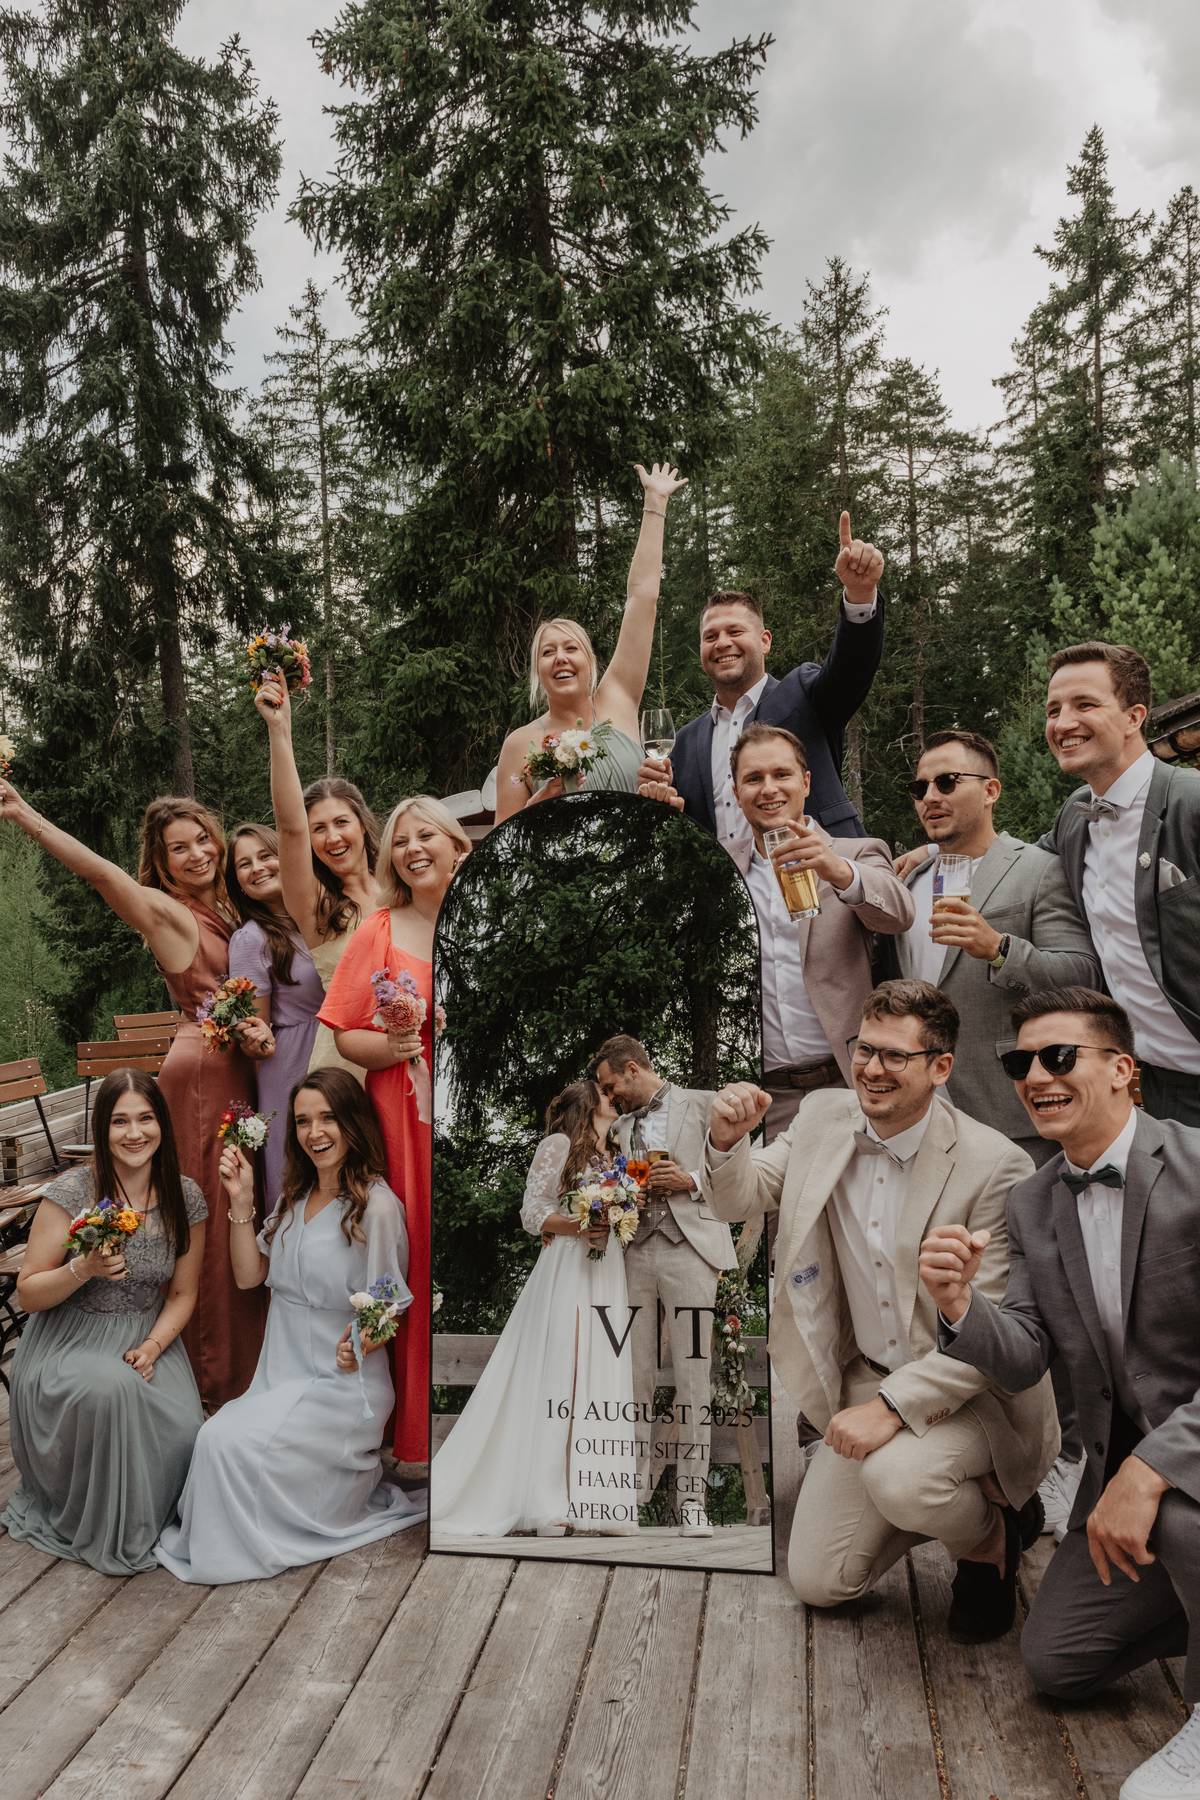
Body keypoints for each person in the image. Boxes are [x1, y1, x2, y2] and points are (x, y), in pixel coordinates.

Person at [704, 979, 1057, 1641]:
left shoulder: (996, 1166)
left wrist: (892, 1410)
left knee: (900, 1479)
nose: (872, 1068)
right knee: (820, 1582)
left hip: (974, 1394)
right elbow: (740, 1197)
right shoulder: (820, 1118)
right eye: (865, 1049)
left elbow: (998, 1333)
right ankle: (956, 1497)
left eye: (896, 1056)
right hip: (865, 1376)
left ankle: (988, 1544)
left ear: (940, 1067)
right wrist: (726, 1142)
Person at [921, 986, 1200, 1800]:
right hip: (1120, 1483)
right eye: (1021, 1062)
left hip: (1173, 1473)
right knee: (1058, 1661)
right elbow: (1025, 1355)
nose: (1035, 1074)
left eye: (1059, 1056)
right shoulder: (1035, 1199)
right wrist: (959, 1307)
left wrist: (1147, 1472)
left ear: (1124, 1070)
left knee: (1181, 1514)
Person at [0, 779, 266, 1407]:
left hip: (233, 1071)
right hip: (204, 1076)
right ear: (161, 862)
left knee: (240, 1209)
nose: (198, 853)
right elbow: (102, 876)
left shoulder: (233, 908)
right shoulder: (168, 911)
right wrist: (24, 815)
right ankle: (211, 1383)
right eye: (179, 848)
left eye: (204, 839)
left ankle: (241, 1368)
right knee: (209, 1219)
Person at [154, 1069, 423, 1583]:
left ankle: (258, 1536)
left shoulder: (377, 1206)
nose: (314, 1132)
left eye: (328, 1118)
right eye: (302, 1121)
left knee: (224, 1445)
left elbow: (388, 1301)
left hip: (341, 1386)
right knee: (214, 1437)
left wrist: (360, 1341)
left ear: (353, 1124)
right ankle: (226, 1537)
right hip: (279, 1375)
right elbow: (248, 1275)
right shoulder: (293, 1200)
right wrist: (240, 1201)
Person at [318, 795, 471, 1464]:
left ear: (456, 844)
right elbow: (348, 1035)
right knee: (408, 1252)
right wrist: (399, 1043)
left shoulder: (486, 916)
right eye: (401, 842)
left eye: (426, 836)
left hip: (477, 1109)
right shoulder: (378, 930)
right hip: (401, 1116)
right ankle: (410, 1439)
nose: (413, 849)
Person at [3, 1070, 206, 1574]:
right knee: (113, 1394)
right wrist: (83, 1267)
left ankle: (159, 1516)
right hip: (67, 1340)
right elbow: (28, 1293)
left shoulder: (185, 1196)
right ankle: (106, 1524)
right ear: (102, 1128)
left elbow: (183, 1293)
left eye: (145, 1118)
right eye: (120, 1121)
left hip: (146, 1336)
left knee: (188, 1429)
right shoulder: (72, 1191)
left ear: (162, 1124)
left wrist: (156, 1346)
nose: (134, 1133)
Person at [431, 1080, 640, 1538]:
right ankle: (547, 1503)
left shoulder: (618, 1151)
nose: (613, 1097)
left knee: (599, 1371)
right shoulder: (559, 1143)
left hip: (607, 1271)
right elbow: (532, 1214)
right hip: (568, 1267)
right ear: (587, 1105)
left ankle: (598, 1499)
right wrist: (582, 1224)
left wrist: (618, 1216)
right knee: (560, 1373)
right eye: (604, 1093)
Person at [895, 730, 1100, 1164]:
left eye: (947, 782)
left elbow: (1082, 974)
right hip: (922, 1118)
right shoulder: (908, 880)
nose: (930, 796)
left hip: (1010, 1112)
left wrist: (999, 949)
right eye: (920, 788)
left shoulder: (1039, 870)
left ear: (991, 790)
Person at [636, 511, 885, 852]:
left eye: (735, 631)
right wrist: (657, 801)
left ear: (765, 641)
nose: (722, 642)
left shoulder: (804, 695)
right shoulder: (684, 743)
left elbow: (851, 669)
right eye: (711, 636)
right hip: (735, 897)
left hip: (825, 881)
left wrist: (859, 595)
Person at [1039, 640, 1200, 1125]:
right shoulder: (1074, 817)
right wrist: (936, 851)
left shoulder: (1192, 803)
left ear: (1134, 717)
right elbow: (1020, 863)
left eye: (1085, 704)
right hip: (1153, 1091)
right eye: (1054, 709)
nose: (1063, 723)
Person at [731, 723, 912, 1141]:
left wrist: (837, 870)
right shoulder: (724, 867)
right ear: (737, 792)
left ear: (806, 782)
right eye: (753, 779)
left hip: (850, 1082)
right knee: (773, 1208)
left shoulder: (856, 853)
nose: (769, 789)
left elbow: (899, 913)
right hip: (765, 1098)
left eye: (781, 774)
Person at [591, 1035, 736, 1535]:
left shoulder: (704, 1103)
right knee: (634, 1377)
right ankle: (631, 1496)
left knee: (694, 1377)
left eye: (612, 1086)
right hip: (633, 1253)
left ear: (632, 1069)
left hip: (691, 1251)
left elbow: (748, 1172)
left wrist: (692, 1180)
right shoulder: (618, 1127)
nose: (610, 1098)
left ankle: (692, 1502)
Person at [494, 461, 687, 822]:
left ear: (591, 661)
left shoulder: (619, 695)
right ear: (538, 670)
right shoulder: (519, 744)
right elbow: (501, 844)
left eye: (571, 649)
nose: (560, 658)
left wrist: (655, 505)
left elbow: (641, 598)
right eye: (548, 652)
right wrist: (536, 807)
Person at [252, 670, 380, 1084]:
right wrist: (280, 732)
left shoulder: (400, 890)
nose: (332, 838)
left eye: (341, 822)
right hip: (346, 1070)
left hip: (412, 1057)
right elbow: (289, 827)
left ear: (362, 824)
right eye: (318, 830)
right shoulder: (317, 907)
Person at [226, 822, 326, 1202]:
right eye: (244, 864)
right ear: (237, 882)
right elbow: (256, 1031)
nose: (257, 868)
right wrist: (255, 1040)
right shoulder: (251, 940)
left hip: (342, 1049)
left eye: (266, 855)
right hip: (291, 1063)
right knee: (296, 1173)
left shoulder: (324, 912)